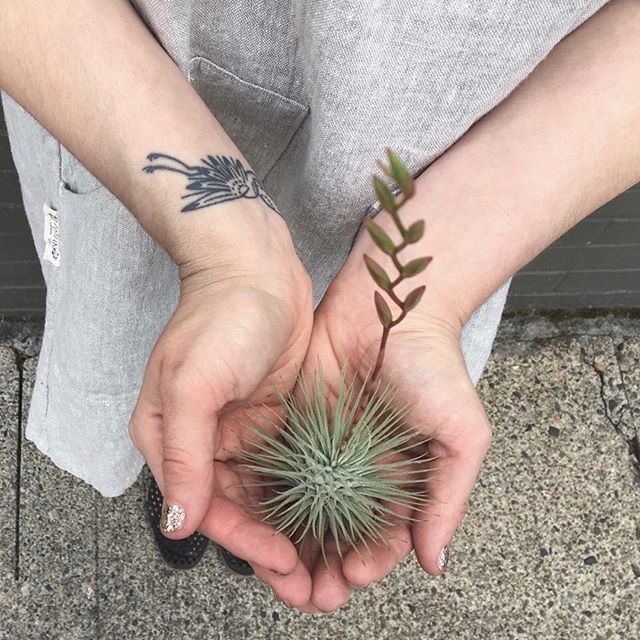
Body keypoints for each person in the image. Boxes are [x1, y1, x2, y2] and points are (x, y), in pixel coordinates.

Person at [1, 0, 638, 614]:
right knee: (180, 370)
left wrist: (444, 272)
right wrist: (224, 253)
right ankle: (180, 472)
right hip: (123, 107)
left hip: (455, 188)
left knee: (210, 397)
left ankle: (213, 482)